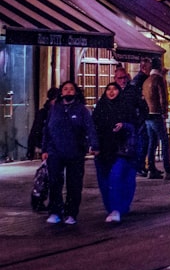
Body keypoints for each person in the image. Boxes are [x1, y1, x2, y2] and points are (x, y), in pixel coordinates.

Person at [41, 81, 98, 225]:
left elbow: (90, 128)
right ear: (61, 92)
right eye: (65, 89)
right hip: (55, 152)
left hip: (75, 152)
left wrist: (94, 145)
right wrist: (44, 149)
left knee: (74, 184)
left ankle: (71, 213)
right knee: (55, 183)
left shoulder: (82, 110)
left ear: (76, 92)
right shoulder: (54, 109)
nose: (68, 91)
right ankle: (55, 211)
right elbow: (47, 130)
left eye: (71, 89)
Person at [92, 81, 138, 222]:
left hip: (121, 149)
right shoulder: (100, 108)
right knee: (104, 181)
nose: (111, 92)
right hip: (103, 150)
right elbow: (93, 127)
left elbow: (135, 125)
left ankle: (117, 208)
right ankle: (112, 207)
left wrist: (124, 125)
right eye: (108, 89)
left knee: (116, 177)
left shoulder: (126, 107)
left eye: (114, 89)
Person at [142, 56, 170, 178]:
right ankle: (168, 170)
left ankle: (151, 169)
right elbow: (163, 97)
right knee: (165, 142)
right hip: (156, 115)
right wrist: (164, 111)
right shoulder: (159, 79)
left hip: (147, 116)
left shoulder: (146, 81)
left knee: (152, 142)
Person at [131, 58, 152, 175]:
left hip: (140, 114)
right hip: (142, 115)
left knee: (144, 140)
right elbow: (140, 99)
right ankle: (140, 166)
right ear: (144, 68)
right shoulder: (143, 80)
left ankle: (141, 165)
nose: (150, 70)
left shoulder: (136, 79)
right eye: (149, 68)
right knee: (143, 140)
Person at [26, 87, 60, 160]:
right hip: (46, 146)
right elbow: (35, 131)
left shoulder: (63, 112)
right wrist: (31, 149)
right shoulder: (43, 113)